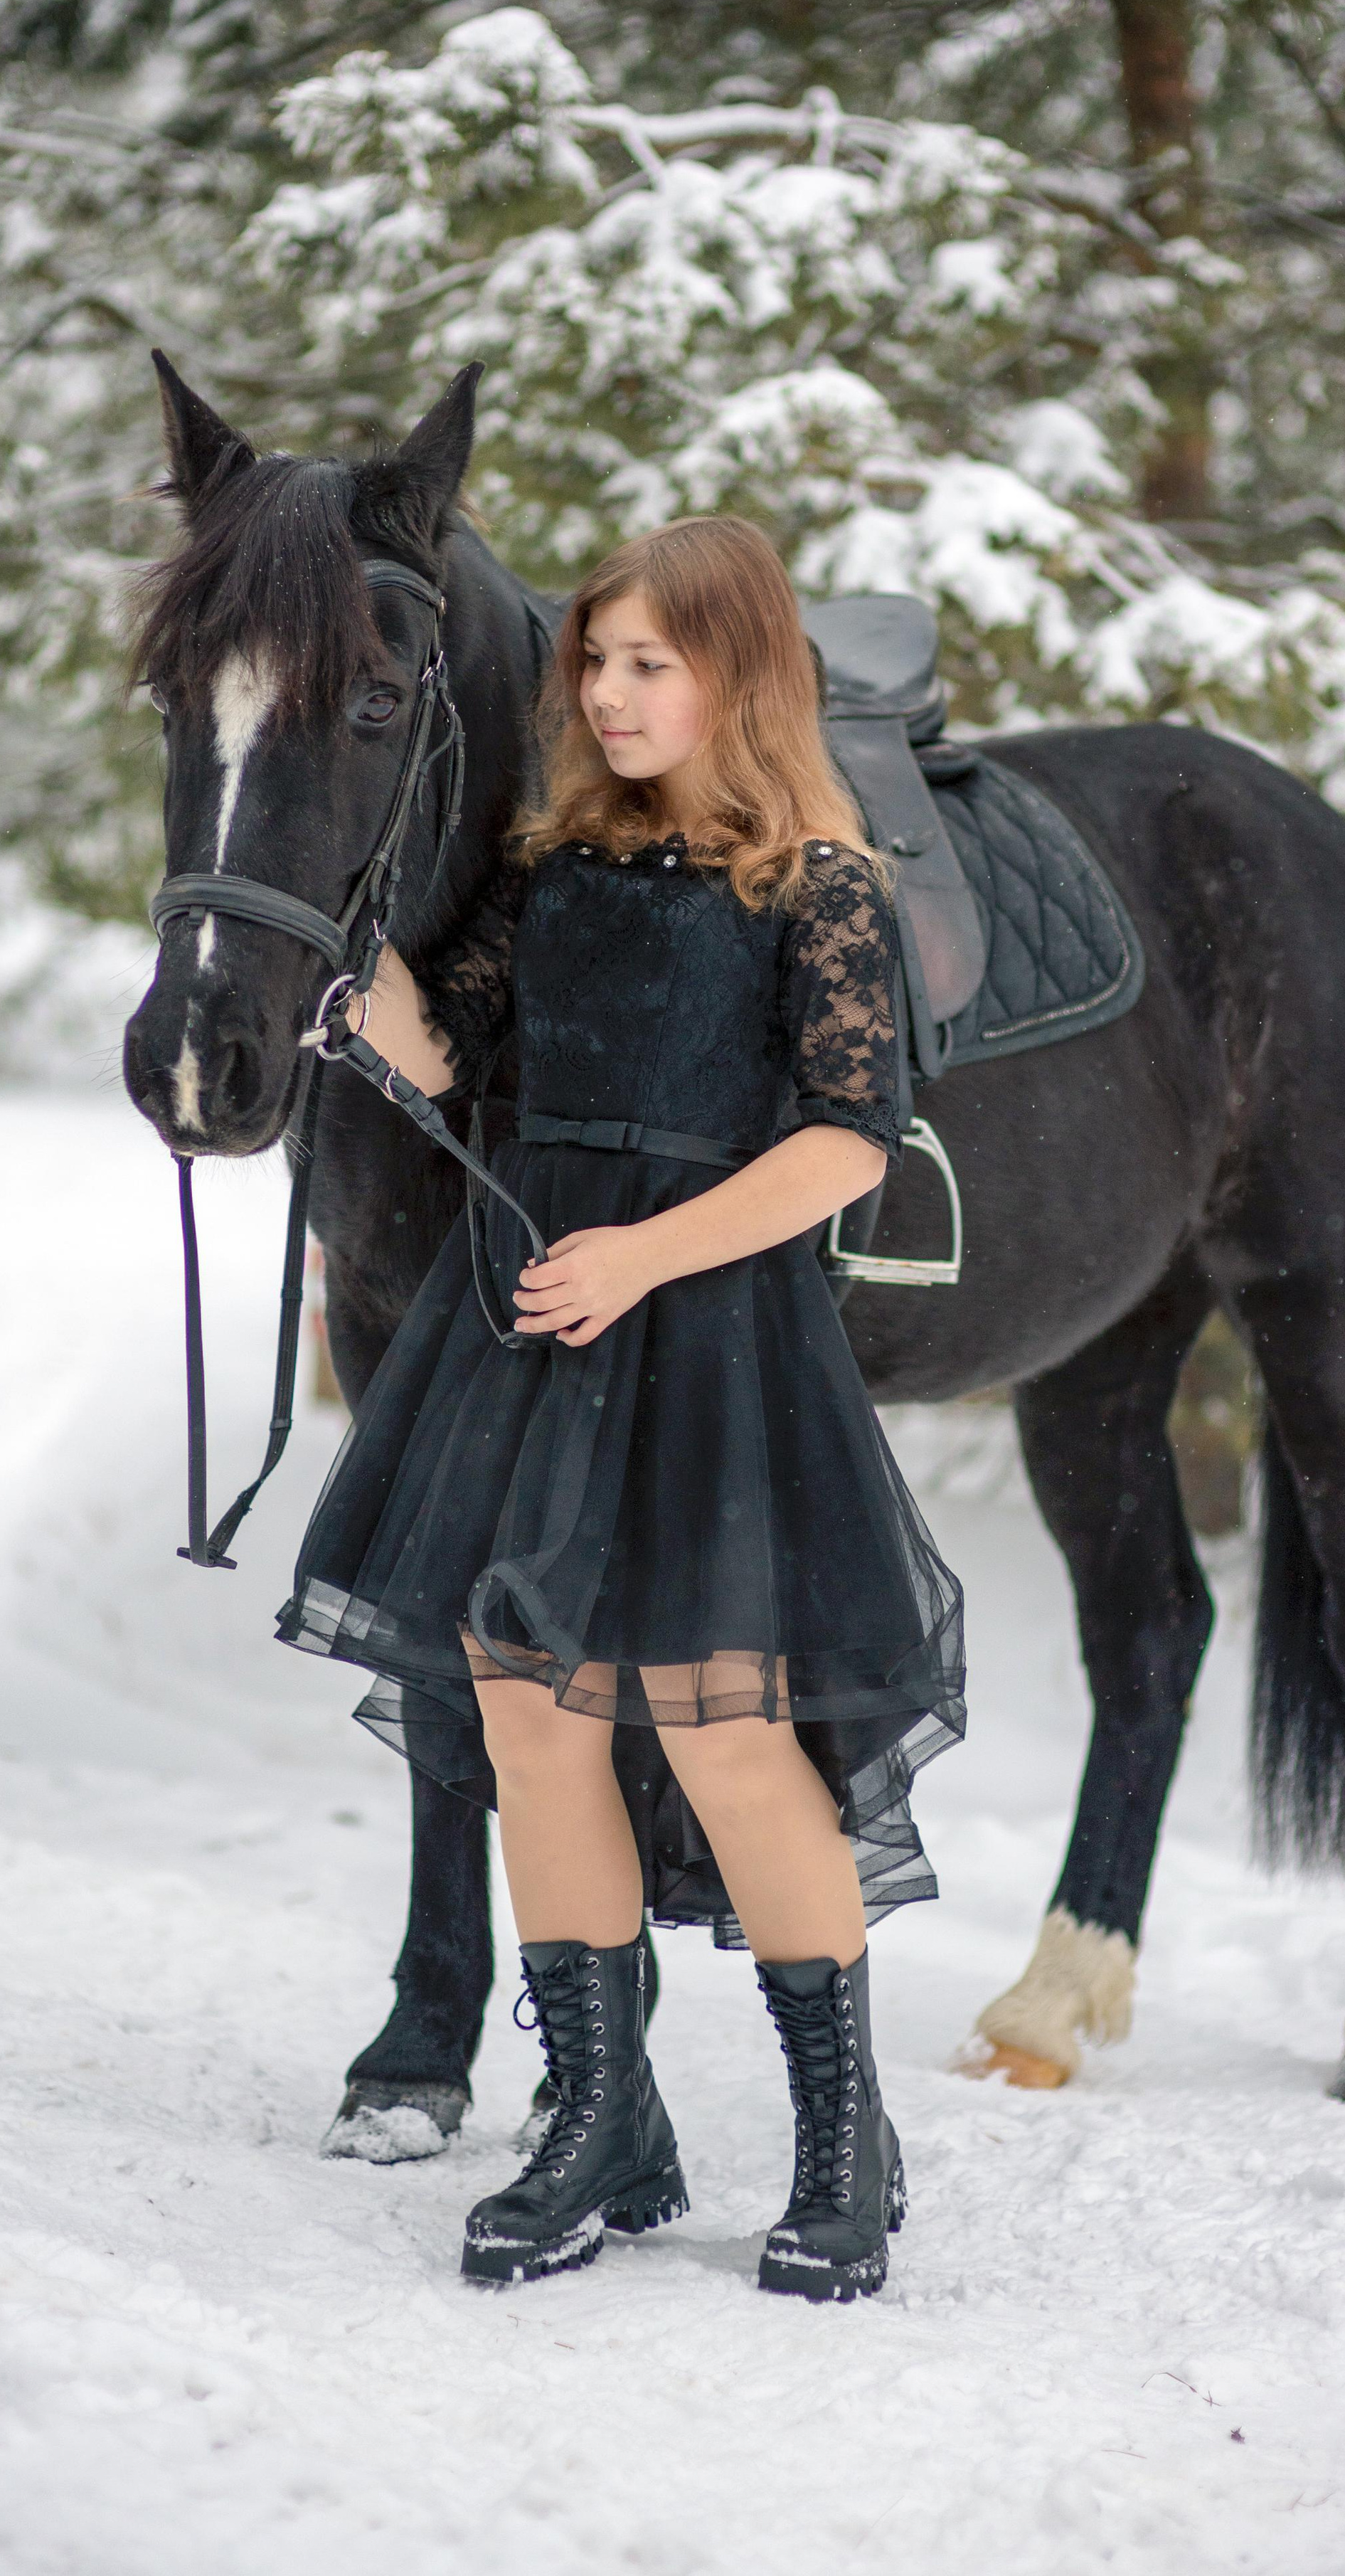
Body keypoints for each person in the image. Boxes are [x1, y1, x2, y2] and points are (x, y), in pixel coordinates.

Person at [278, 516, 965, 2299]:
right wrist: (350, 979)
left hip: (704, 1329)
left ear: (738, 672)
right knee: (529, 1722)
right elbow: (466, 1063)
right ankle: (597, 2119)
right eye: (595, 661)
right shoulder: (557, 864)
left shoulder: (815, 880)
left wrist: (646, 1257)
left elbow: (844, 1138)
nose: (607, 691)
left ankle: (839, 2148)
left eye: (647, 662)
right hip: (530, 1327)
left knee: (728, 1735)